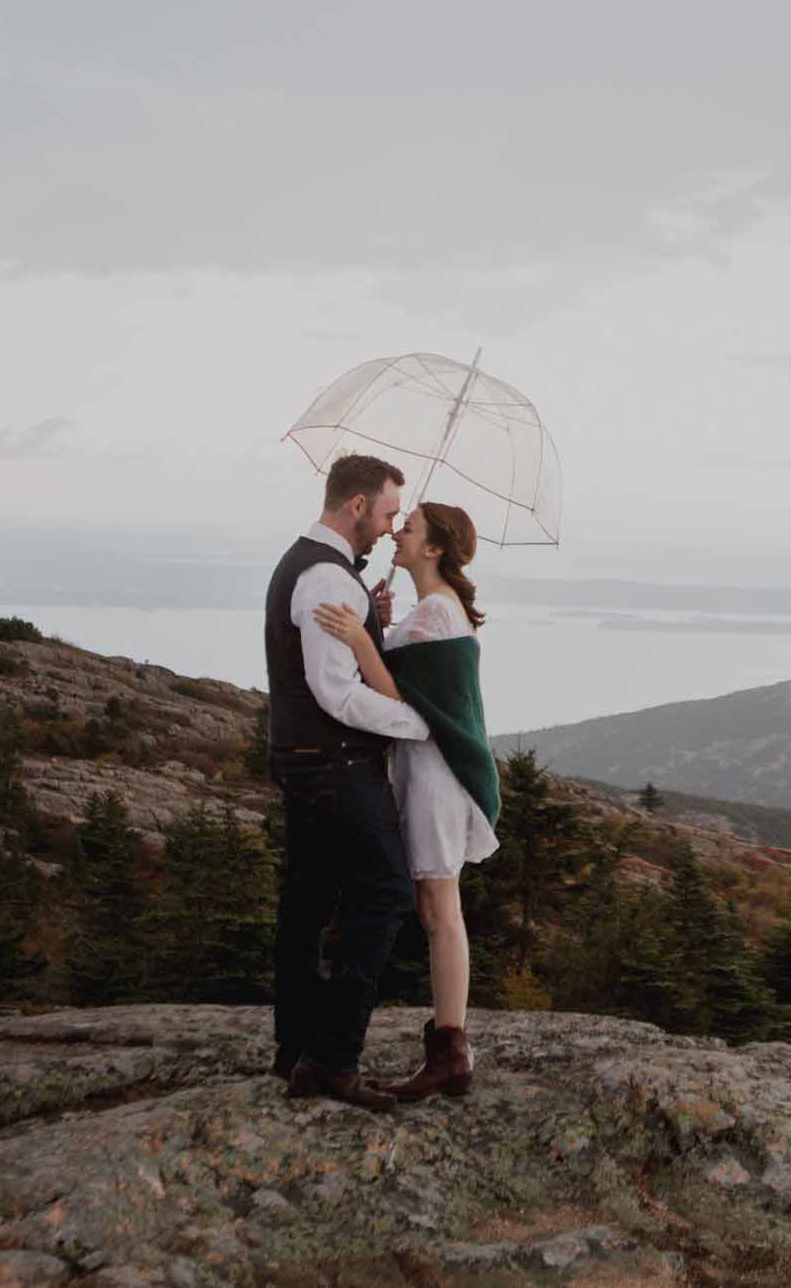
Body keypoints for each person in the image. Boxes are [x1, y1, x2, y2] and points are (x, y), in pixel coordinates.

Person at [313, 500, 500, 1101]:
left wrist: (359, 637)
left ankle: (451, 1052)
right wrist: (378, 621)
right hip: (428, 775)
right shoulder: (432, 612)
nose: (397, 532)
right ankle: (449, 1049)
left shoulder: (437, 615)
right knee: (434, 908)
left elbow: (399, 696)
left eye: (409, 527)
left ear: (434, 548)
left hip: (436, 778)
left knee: (441, 911)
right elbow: (405, 668)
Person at [264, 453, 426, 1112]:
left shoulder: (311, 565)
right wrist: (414, 721)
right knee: (386, 890)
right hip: (337, 761)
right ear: (356, 506)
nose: (392, 528)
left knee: (307, 899)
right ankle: (332, 1060)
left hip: (302, 756)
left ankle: (296, 1050)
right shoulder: (329, 579)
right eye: (388, 512)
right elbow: (336, 692)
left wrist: (370, 618)